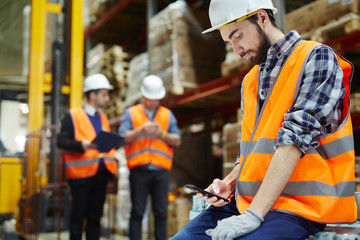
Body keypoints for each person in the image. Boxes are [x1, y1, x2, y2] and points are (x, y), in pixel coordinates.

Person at [171, 0, 356, 239]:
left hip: (299, 207)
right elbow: (253, 150)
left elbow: (293, 140)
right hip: (248, 202)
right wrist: (229, 182)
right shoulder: (251, 81)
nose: (236, 50)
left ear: (262, 18)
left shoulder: (316, 57)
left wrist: (253, 215)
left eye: (238, 36)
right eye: (229, 42)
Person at [118, 74, 181, 240]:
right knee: (137, 211)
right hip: (139, 170)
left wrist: (162, 134)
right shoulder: (131, 113)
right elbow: (123, 138)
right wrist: (141, 130)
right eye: (149, 99)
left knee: (160, 211)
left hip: (160, 171)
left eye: (156, 99)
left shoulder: (167, 115)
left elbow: (177, 140)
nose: (152, 102)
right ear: (143, 95)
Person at [57, 73, 119, 240]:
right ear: (93, 95)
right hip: (81, 177)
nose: (107, 98)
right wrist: (80, 145)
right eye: (104, 94)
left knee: (95, 218)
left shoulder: (103, 118)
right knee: (78, 218)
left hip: (100, 175)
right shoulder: (73, 115)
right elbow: (61, 142)